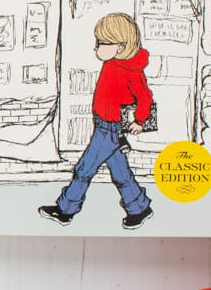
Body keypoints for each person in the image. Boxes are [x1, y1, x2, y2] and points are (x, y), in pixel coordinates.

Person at [40, 12, 154, 230]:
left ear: (120, 46)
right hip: (103, 125)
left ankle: (66, 210)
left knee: (84, 169)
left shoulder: (131, 70)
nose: (96, 47)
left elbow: (145, 96)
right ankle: (139, 208)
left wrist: (140, 120)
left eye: (102, 42)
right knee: (120, 172)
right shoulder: (112, 64)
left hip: (109, 129)